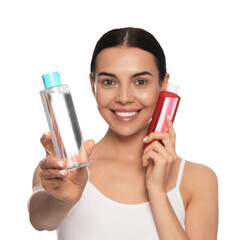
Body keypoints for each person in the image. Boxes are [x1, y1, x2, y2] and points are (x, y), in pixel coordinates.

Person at [28, 27, 218, 239]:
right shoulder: (62, 170)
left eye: (140, 82)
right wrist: (63, 199)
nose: (124, 97)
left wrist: (156, 191)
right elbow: (39, 219)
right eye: (109, 82)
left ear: (163, 85)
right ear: (93, 85)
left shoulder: (198, 180)